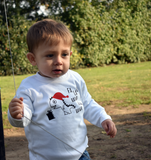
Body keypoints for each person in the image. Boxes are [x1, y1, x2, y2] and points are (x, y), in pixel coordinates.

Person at [8, 19, 117, 160]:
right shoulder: (29, 87)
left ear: (70, 54)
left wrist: (103, 118)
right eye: (50, 55)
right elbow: (24, 118)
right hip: (45, 157)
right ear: (33, 59)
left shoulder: (75, 79)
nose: (58, 61)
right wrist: (17, 114)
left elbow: (87, 104)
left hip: (80, 154)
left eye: (64, 54)